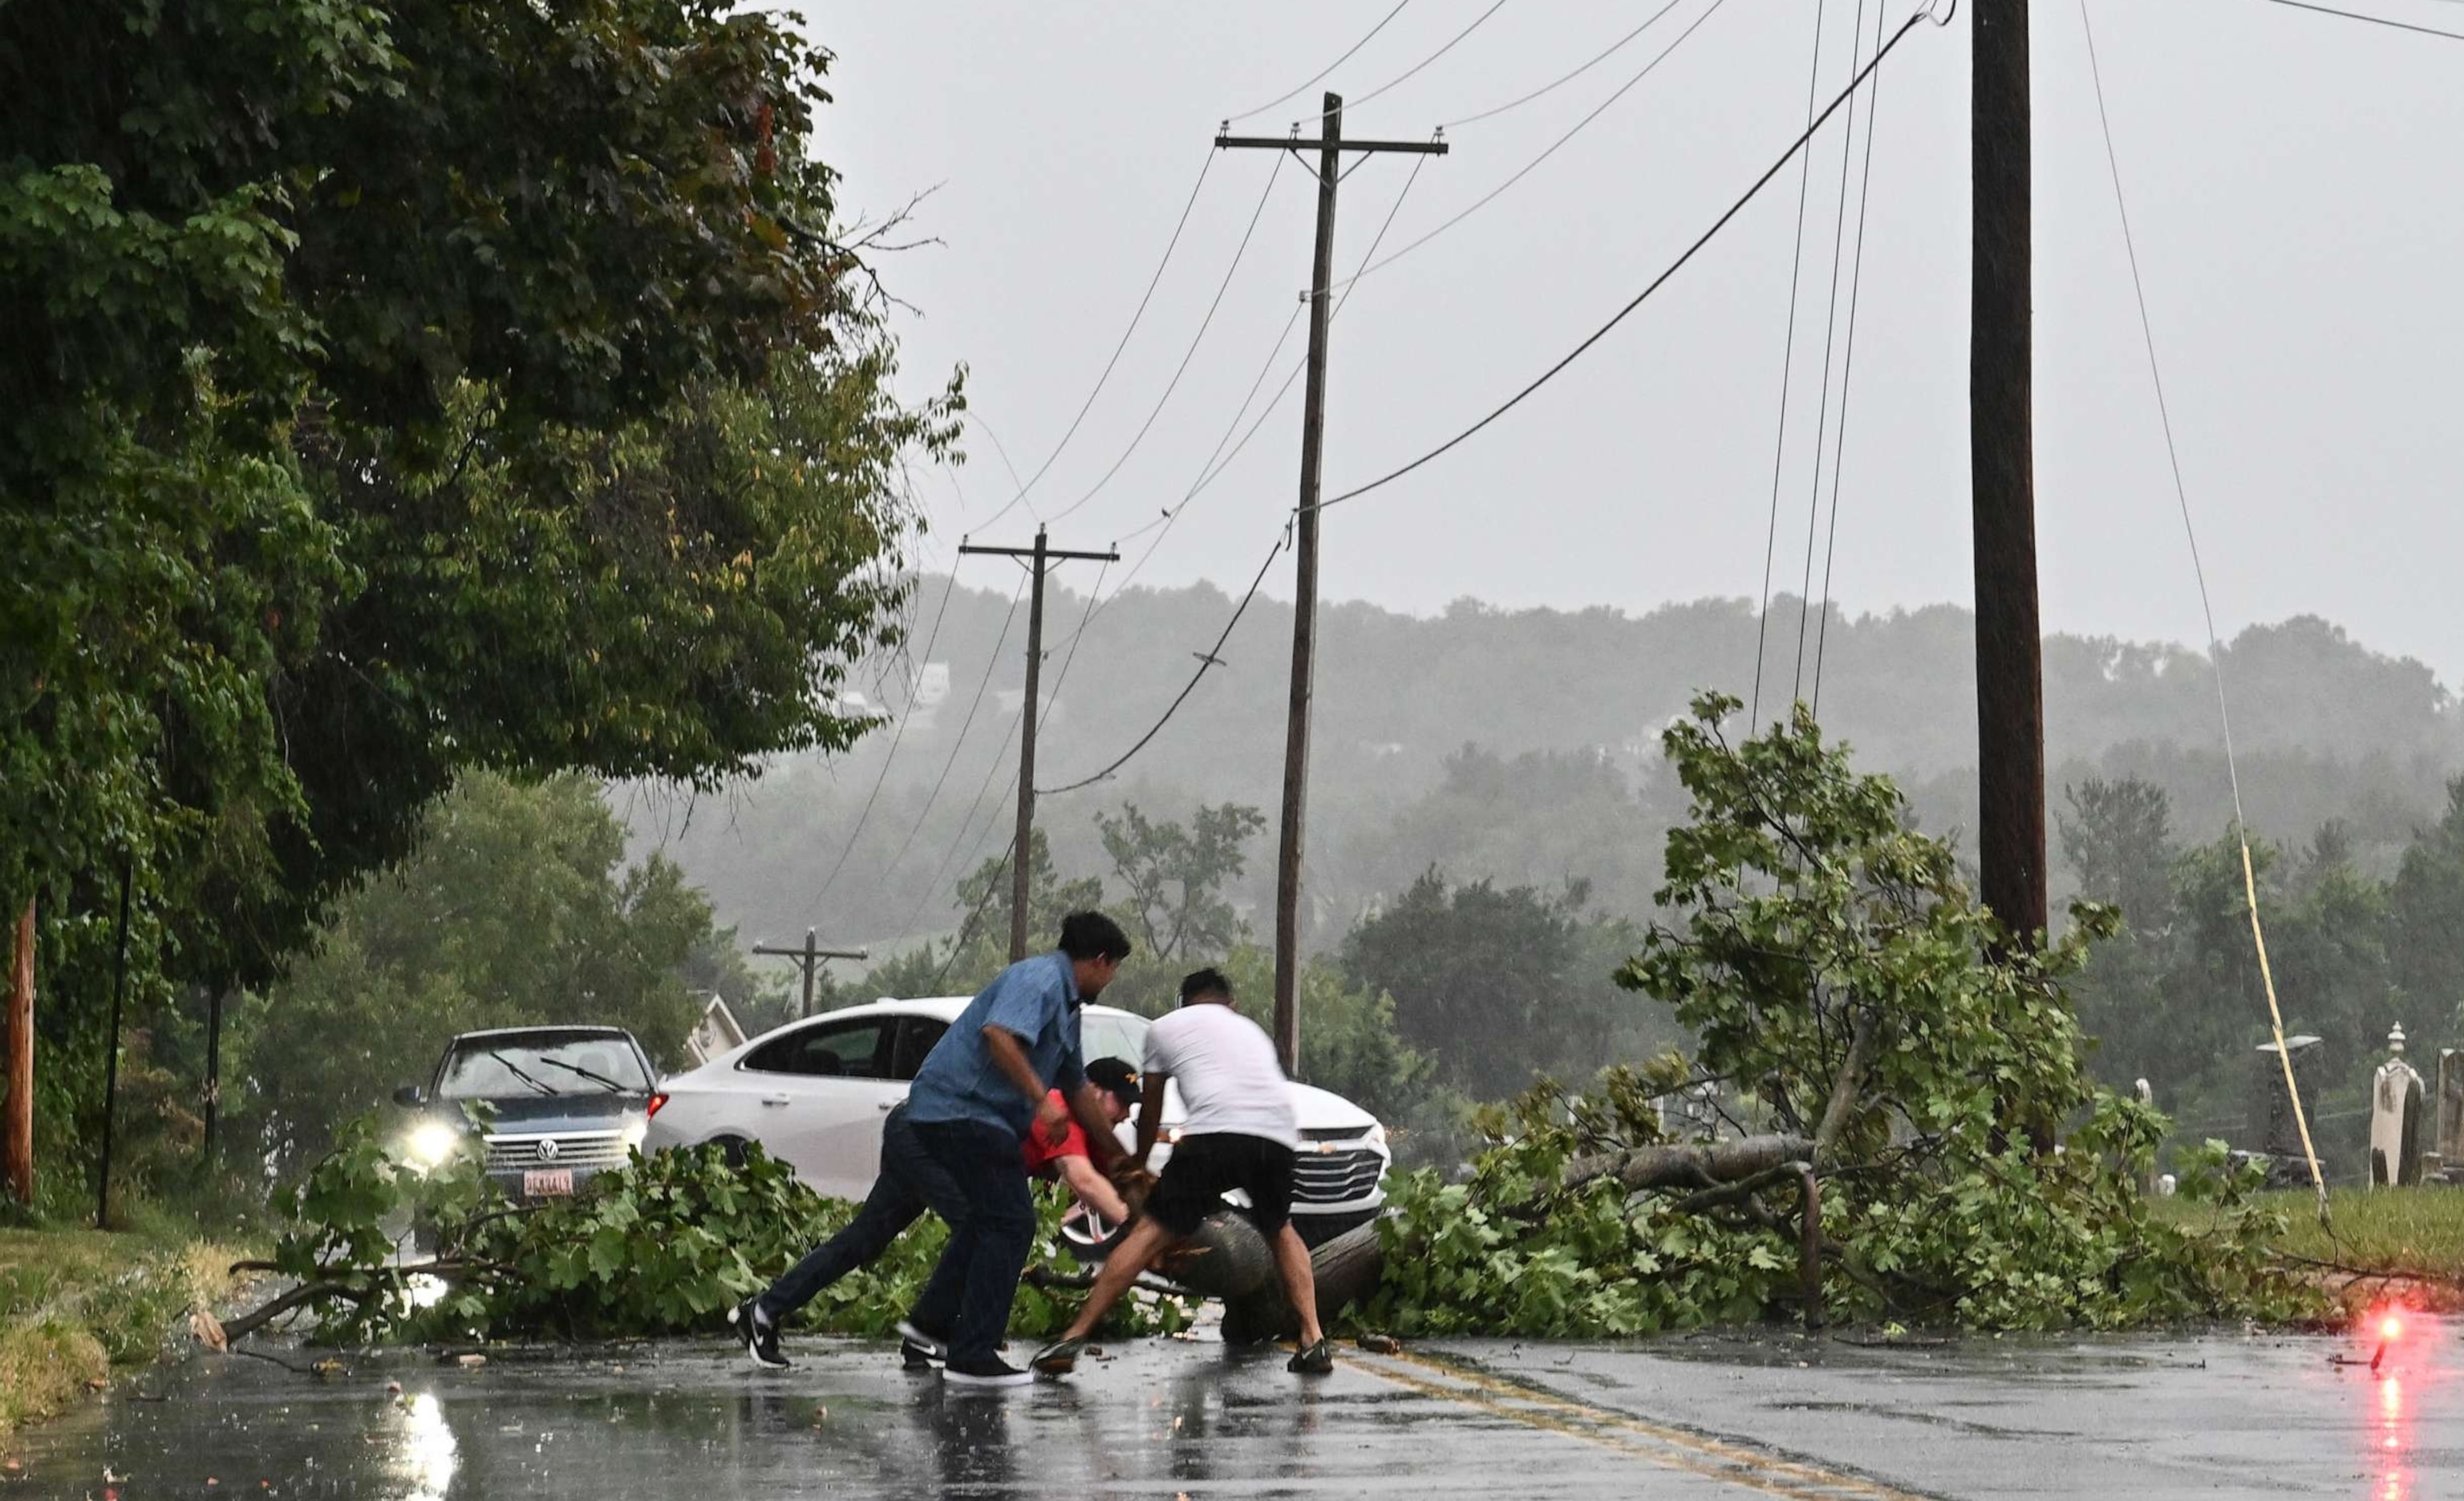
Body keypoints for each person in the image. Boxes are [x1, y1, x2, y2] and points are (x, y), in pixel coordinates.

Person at [726, 1055, 1143, 1373]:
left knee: (863, 1240)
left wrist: (1161, 1225)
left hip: (921, 1133)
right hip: (923, 1134)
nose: (1124, 1114)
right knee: (984, 1226)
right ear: (1090, 1090)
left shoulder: (1090, 1132)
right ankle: (931, 1330)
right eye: (1118, 1102)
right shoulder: (1059, 1109)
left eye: (1129, 1106)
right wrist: (1134, 1227)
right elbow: (1084, 1180)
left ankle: (763, 1311)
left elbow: (1118, 1182)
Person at [1031, 966, 1333, 1378]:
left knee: (1148, 1233)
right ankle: (1313, 1338)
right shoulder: (1252, 1031)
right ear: (1230, 1003)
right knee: (1281, 1228)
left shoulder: (1164, 1027)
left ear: (1184, 1000)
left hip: (1214, 1134)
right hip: (1277, 1136)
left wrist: (1138, 1165)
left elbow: (1150, 1106)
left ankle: (1076, 1334)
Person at [902, 911, 1133, 1386]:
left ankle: (930, 1324)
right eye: (1112, 971)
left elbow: (1077, 1092)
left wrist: (1122, 1160)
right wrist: (1039, 1103)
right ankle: (972, 1355)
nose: (1110, 981)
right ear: (1100, 960)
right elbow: (998, 1036)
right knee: (1012, 1221)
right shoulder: (1040, 979)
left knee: (990, 1220)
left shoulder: (1068, 1010)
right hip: (960, 1110)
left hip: (974, 1117)